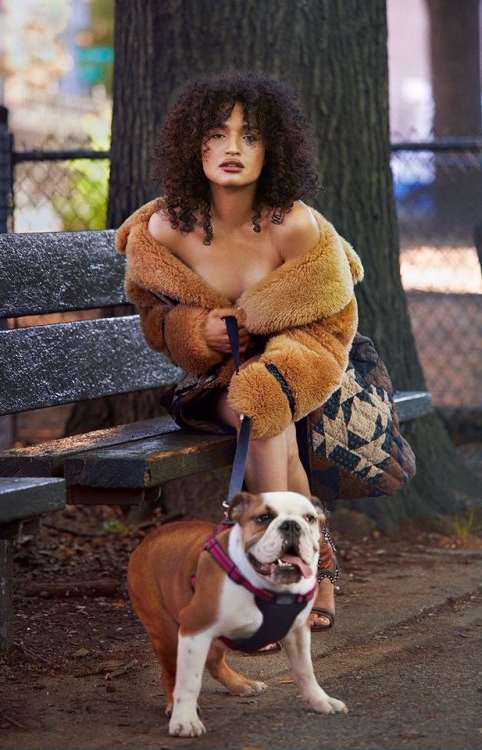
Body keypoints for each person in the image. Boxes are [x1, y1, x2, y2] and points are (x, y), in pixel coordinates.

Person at [116, 71, 364, 633]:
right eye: (217, 134)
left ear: (271, 149)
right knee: (264, 412)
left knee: (266, 400)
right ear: (192, 144)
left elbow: (334, 318)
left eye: (250, 136)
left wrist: (281, 358)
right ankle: (309, 576)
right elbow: (154, 320)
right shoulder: (166, 230)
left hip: (300, 368)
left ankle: (279, 576)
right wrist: (193, 328)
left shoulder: (291, 225)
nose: (232, 148)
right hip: (209, 386)